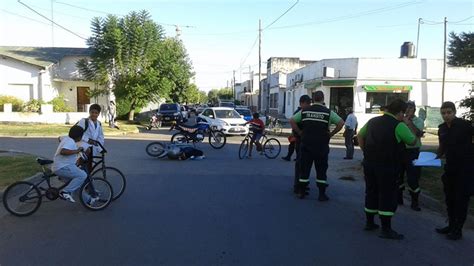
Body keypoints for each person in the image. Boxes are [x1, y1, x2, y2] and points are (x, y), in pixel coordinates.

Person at [357, 99, 416, 240]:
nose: (404, 116)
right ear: (400, 112)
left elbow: (360, 135)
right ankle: (386, 229)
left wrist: (365, 151)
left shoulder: (373, 121)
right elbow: (412, 141)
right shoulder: (399, 125)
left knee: (371, 191)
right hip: (388, 165)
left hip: (370, 163)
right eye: (404, 113)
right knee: (387, 194)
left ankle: (369, 223)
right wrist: (407, 124)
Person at [290, 91, 345, 201]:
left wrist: (300, 132)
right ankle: (321, 194)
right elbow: (341, 123)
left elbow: (292, 120)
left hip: (306, 145)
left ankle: (302, 192)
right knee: (321, 170)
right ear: (323, 99)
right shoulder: (328, 112)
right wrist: (331, 134)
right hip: (321, 146)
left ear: (313, 99)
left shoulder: (304, 111)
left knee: (304, 169)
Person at [435, 101, 474, 240]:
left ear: (454, 112)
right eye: (443, 113)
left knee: (461, 200)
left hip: (465, 169)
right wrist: (432, 158)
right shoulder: (442, 128)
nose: (446, 116)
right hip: (450, 168)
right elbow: (442, 147)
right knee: (450, 199)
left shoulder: (465, 126)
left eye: (449, 112)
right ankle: (451, 226)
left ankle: (458, 230)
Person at [52, 125, 91, 203]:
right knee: (82, 175)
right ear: (79, 136)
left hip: (60, 166)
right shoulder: (70, 141)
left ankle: (88, 200)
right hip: (63, 167)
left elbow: (60, 139)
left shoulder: (66, 139)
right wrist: (76, 151)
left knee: (74, 184)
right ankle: (65, 192)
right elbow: (63, 151)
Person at [398, 101, 425, 211]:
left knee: (413, 178)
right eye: (406, 108)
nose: (408, 110)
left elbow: (418, 134)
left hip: (413, 152)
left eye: (410, 108)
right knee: (398, 176)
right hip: (401, 151)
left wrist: (409, 123)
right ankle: (398, 198)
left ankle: (415, 202)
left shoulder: (419, 121)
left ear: (414, 109)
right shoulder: (400, 119)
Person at [282, 96, 311, 162]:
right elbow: (293, 122)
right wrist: (297, 132)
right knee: (294, 146)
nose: (309, 105)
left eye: (309, 103)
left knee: (297, 147)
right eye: (307, 103)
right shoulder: (300, 112)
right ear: (301, 103)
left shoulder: (305, 112)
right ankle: (291, 157)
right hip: (298, 133)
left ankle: (295, 158)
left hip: (300, 133)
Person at [77, 104, 105, 172]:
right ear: (89, 112)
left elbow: (100, 136)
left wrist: (100, 147)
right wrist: (88, 140)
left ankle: (87, 179)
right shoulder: (84, 121)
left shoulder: (99, 124)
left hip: (93, 147)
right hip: (83, 144)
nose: (94, 114)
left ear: (98, 114)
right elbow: (77, 133)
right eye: (92, 112)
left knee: (90, 166)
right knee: (83, 164)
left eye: (96, 113)